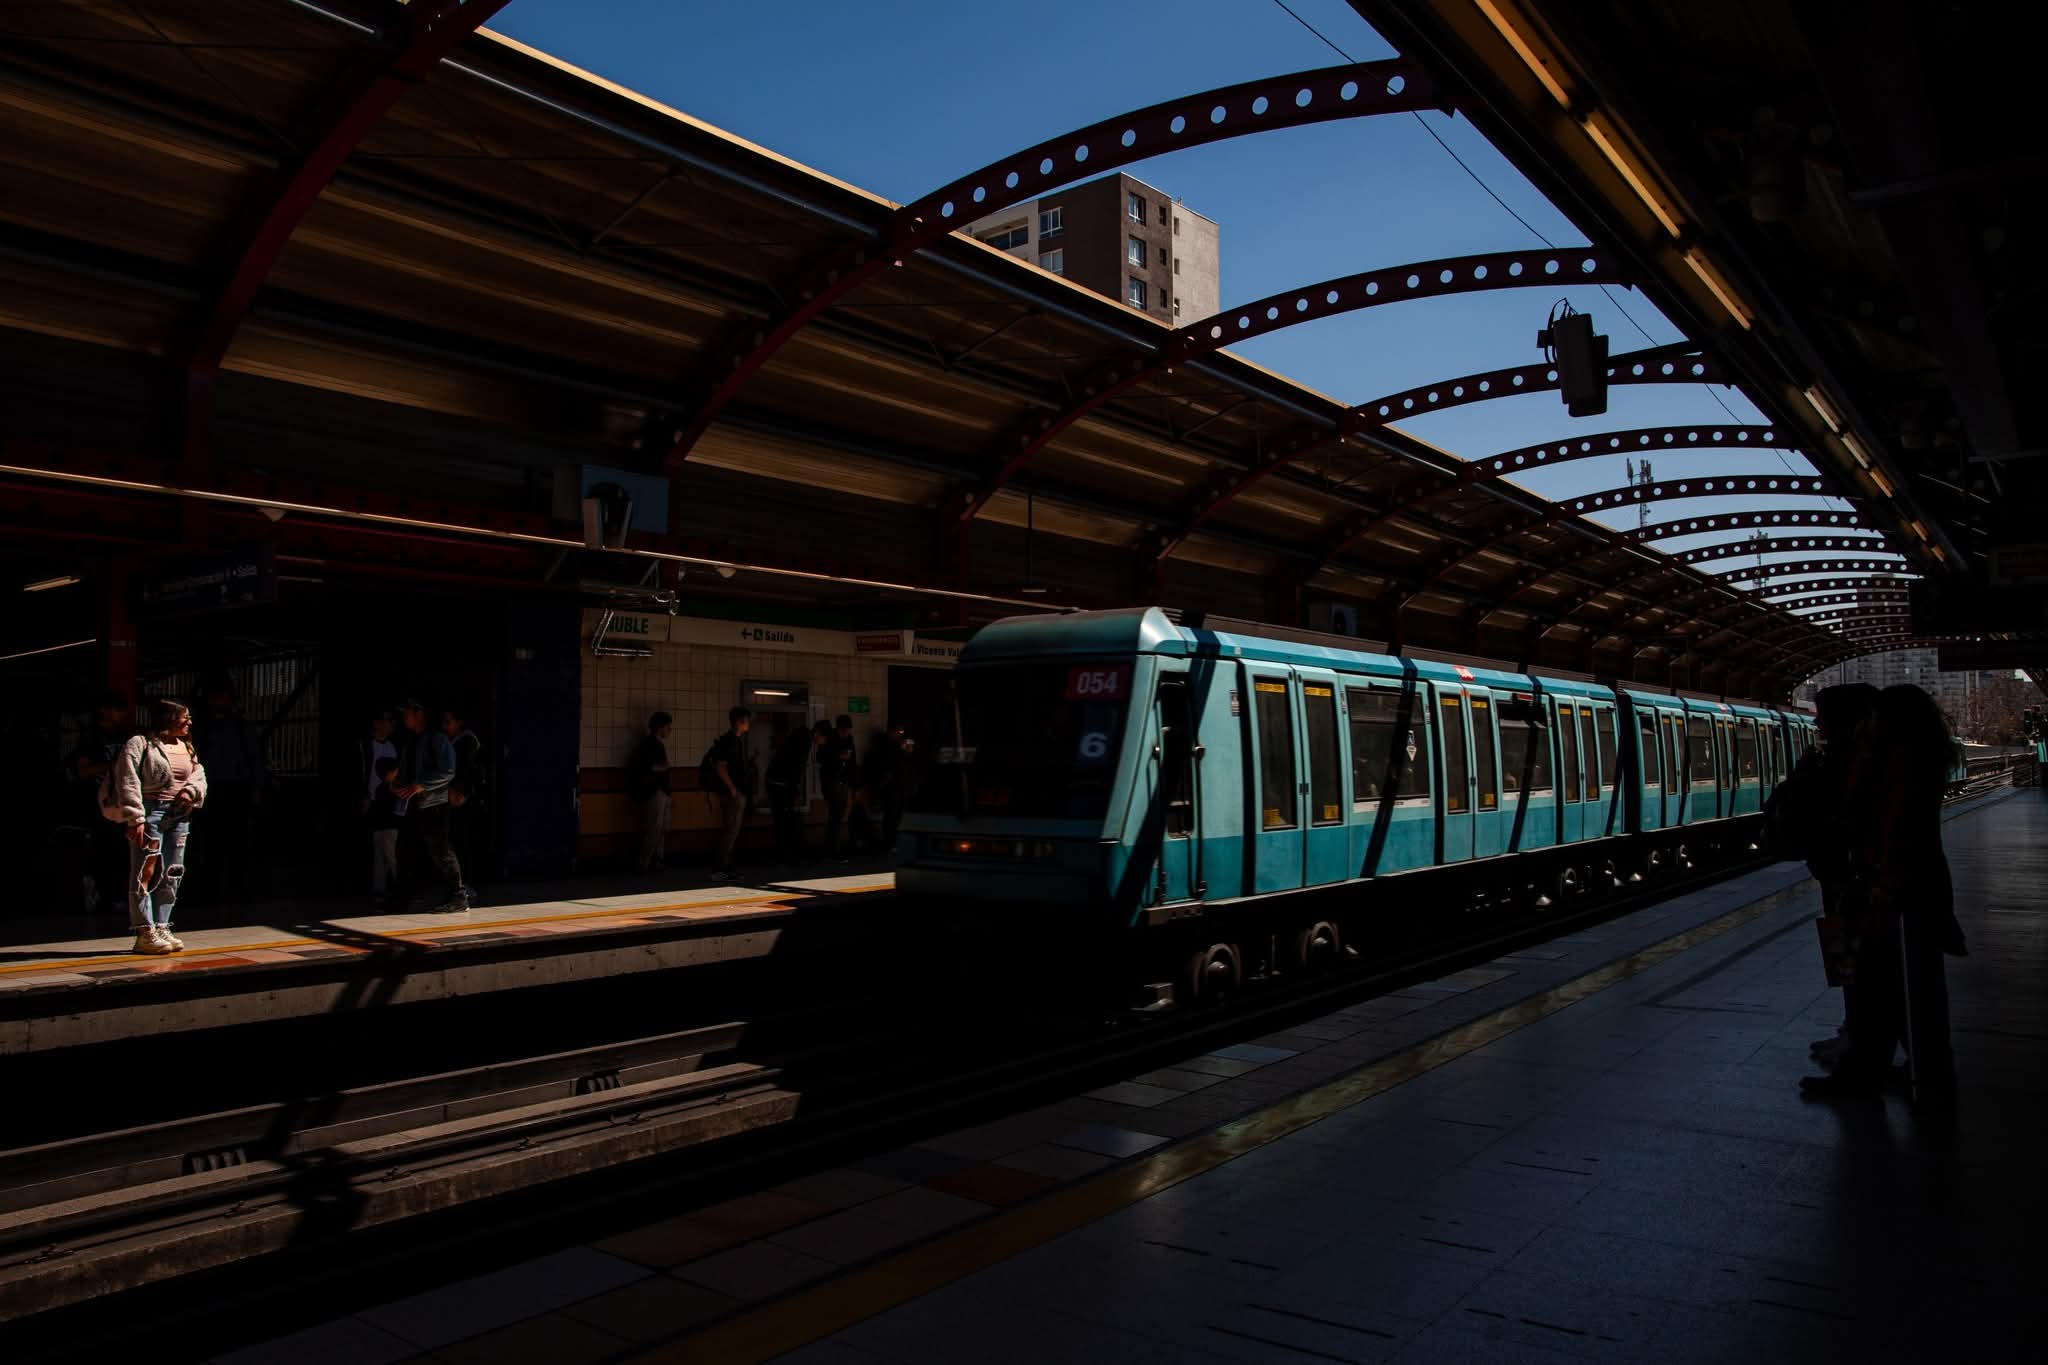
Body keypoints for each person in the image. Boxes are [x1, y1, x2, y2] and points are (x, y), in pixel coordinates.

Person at [1802, 684, 1965, 1108]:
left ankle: (1883, 1073)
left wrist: (1883, 887)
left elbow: (1896, 830)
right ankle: (1915, 1068)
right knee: (1900, 988)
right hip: (1902, 887)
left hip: (1893, 893)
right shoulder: (1910, 758)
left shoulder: (1898, 763)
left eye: (1873, 717)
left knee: (1881, 988)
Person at [1766, 684, 1879, 1069]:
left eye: (1823, 714)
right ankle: (1856, 1035)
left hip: (1853, 877)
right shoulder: (1848, 758)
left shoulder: (1853, 762)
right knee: (1851, 962)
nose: (1816, 722)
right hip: (1844, 874)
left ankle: (1861, 1050)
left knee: (1859, 964)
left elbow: (1837, 814)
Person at [110, 699, 208, 955]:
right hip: (151, 812)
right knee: (146, 870)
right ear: (168, 719)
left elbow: (199, 774)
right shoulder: (139, 744)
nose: (188, 722)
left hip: (179, 815)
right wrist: (135, 818)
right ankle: (145, 931)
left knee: (173, 871)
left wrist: (191, 791)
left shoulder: (186, 746)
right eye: (183, 717)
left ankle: (163, 925)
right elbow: (127, 779)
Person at [392, 698, 465, 914]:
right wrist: (398, 786)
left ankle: (458, 896)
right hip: (413, 804)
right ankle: (405, 897)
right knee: (405, 850)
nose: (404, 717)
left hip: (434, 804)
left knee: (441, 851)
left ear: (419, 714)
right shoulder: (411, 742)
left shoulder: (437, 739)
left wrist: (420, 785)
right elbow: (405, 773)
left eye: (407, 712)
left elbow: (448, 771)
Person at [192, 682, 264, 901]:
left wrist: (256, 785)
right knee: (211, 841)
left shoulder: (242, 727)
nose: (220, 702)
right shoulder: (202, 726)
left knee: (238, 840)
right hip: (210, 787)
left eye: (224, 698)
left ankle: (238, 885)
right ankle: (210, 886)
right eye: (217, 698)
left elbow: (254, 757)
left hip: (236, 787)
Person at [70, 690, 132, 915]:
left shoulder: (123, 735)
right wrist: (113, 765)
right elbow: (83, 769)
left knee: (119, 848)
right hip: (96, 801)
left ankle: (115, 894)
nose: (120, 715)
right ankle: (100, 895)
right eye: (116, 709)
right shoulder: (91, 737)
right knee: (101, 849)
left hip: (120, 800)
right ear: (104, 710)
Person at [704, 706, 752, 880]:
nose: (749, 724)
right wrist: (732, 788)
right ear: (740, 721)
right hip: (731, 793)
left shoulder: (733, 740)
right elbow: (721, 767)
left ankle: (726, 866)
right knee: (731, 830)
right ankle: (719, 868)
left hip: (731, 791)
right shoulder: (731, 741)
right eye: (747, 720)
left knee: (732, 830)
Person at [442, 707, 485, 899]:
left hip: (462, 798)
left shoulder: (467, 741)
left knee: (462, 840)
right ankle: (457, 882)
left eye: (449, 722)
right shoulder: (452, 741)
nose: (446, 726)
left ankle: (466, 883)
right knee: (454, 840)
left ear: (459, 722)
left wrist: (460, 792)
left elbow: (467, 771)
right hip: (452, 796)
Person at [765, 722, 822, 864]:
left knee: (780, 821)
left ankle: (783, 853)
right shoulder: (804, 743)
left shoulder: (796, 738)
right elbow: (796, 769)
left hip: (774, 782)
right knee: (786, 820)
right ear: (818, 734)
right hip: (782, 785)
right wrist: (795, 791)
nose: (822, 742)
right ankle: (787, 854)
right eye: (824, 738)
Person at [359, 710, 399, 894]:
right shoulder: (365, 745)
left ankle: (391, 886)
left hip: (387, 802)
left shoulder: (392, 746)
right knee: (376, 848)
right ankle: (377, 887)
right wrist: (364, 794)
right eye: (387, 721)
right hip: (370, 800)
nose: (391, 724)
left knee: (388, 847)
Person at [628, 712, 674, 873]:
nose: (670, 730)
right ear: (659, 727)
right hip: (655, 791)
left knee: (660, 829)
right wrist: (663, 768)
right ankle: (644, 863)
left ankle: (655, 861)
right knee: (654, 828)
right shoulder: (649, 745)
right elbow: (643, 767)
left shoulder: (655, 744)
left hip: (660, 791)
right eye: (668, 727)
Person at [866, 722, 919, 851]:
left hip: (901, 786)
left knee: (899, 816)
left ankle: (895, 841)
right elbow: (888, 764)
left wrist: (908, 752)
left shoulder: (899, 746)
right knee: (891, 815)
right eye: (897, 732)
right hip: (891, 788)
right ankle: (889, 842)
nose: (899, 735)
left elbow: (909, 763)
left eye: (901, 733)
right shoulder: (885, 747)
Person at [368, 755, 407, 904]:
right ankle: (402, 888)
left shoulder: (378, 789)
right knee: (393, 859)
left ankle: (379, 889)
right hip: (391, 827)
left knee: (380, 859)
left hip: (378, 828)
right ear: (390, 773)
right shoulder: (393, 788)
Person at [818, 716, 857, 861]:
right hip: (832, 780)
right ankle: (833, 849)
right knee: (835, 814)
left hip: (843, 780)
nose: (846, 732)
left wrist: (853, 782)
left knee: (838, 815)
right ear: (838, 729)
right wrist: (838, 757)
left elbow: (853, 760)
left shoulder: (849, 739)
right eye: (844, 730)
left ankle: (831, 847)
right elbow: (820, 758)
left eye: (848, 730)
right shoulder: (830, 739)